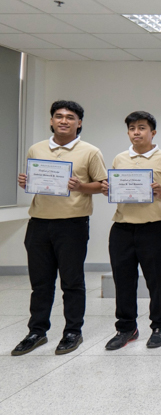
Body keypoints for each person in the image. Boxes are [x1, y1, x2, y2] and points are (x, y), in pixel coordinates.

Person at [12, 101, 107, 356]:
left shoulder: (90, 151)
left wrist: (80, 187)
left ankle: (73, 331)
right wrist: (27, 183)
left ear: (80, 123)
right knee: (40, 283)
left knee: (72, 281)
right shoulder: (37, 148)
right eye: (59, 116)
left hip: (72, 224)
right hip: (39, 223)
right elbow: (37, 182)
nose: (64, 121)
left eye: (70, 117)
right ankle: (37, 331)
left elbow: (102, 184)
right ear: (52, 121)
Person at [101, 111, 161, 350]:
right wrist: (109, 190)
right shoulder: (119, 158)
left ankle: (160, 326)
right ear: (128, 132)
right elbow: (114, 188)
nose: (136, 132)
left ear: (152, 132)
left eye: (142, 128)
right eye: (132, 128)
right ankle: (126, 328)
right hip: (122, 229)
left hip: (153, 228)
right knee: (123, 281)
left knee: (157, 281)